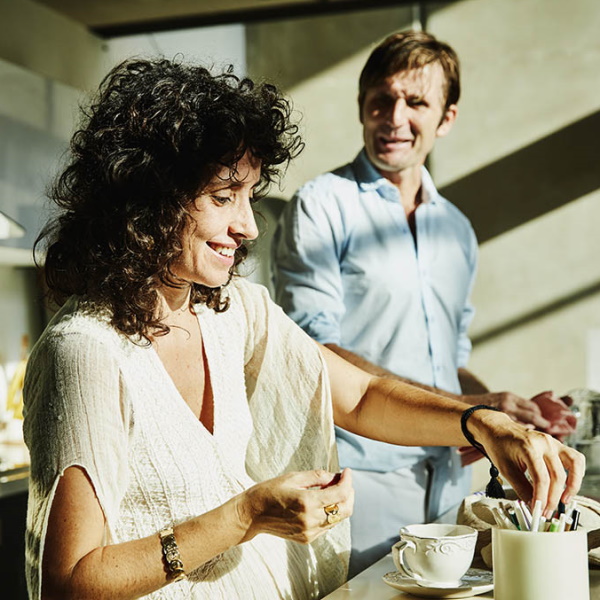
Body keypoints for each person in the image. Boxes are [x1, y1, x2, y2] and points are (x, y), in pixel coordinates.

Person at [23, 57, 583, 600]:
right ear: (148, 199)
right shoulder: (86, 351)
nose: (246, 225)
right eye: (224, 197)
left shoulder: (233, 311)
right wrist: (246, 515)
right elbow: (70, 583)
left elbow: (359, 395)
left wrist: (485, 425)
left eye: (249, 196)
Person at [272, 30, 577, 576]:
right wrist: (473, 416)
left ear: (447, 118)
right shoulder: (320, 207)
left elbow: (447, 360)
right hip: (359, 478)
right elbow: (316, 351)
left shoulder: (457, 230)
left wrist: (501, 407)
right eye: (382, 98)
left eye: (416, 102)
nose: (394, 116)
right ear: (362, 105)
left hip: (449, 483)